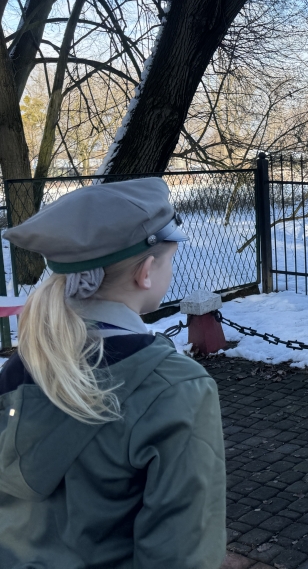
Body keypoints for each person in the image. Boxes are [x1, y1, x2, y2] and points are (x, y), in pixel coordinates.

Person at [0, 178, 226, 568]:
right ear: (146, 272)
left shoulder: (22, 366)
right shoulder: (176, 387)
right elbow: (181, 553)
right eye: (169, 260)